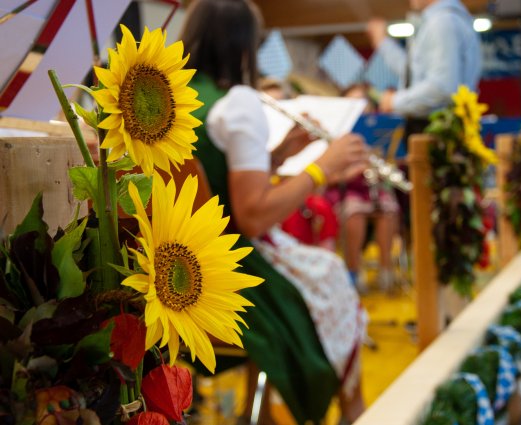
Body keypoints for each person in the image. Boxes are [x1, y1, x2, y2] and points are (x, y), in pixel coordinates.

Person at [179, 1, 369, 423]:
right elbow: (252, 215)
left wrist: (278, 155)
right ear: (244, 45)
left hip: (185, 263)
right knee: (332, 276)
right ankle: (352, 411)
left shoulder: (180, 99)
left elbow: (210, 177)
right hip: (235, 271)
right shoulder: (240, 102)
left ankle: (261, 412)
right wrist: (324, 166)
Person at [367, 0, 482, 135]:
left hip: (437, 130)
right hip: (440, 128)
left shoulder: (441, 22)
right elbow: (414, 71)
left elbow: (442, 88)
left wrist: (395, 101)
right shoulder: (442, 20)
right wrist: (382, 43)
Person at [333, 83, 401, 292]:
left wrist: (382, 167)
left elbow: (393, 164)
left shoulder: (379, 135)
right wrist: (351, 172)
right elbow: (329, 174)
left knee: (388, 208)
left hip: (373, 188)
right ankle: (354, 271)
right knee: (354, 213)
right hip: (346, 189)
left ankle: (386, 270)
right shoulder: (336, 133)